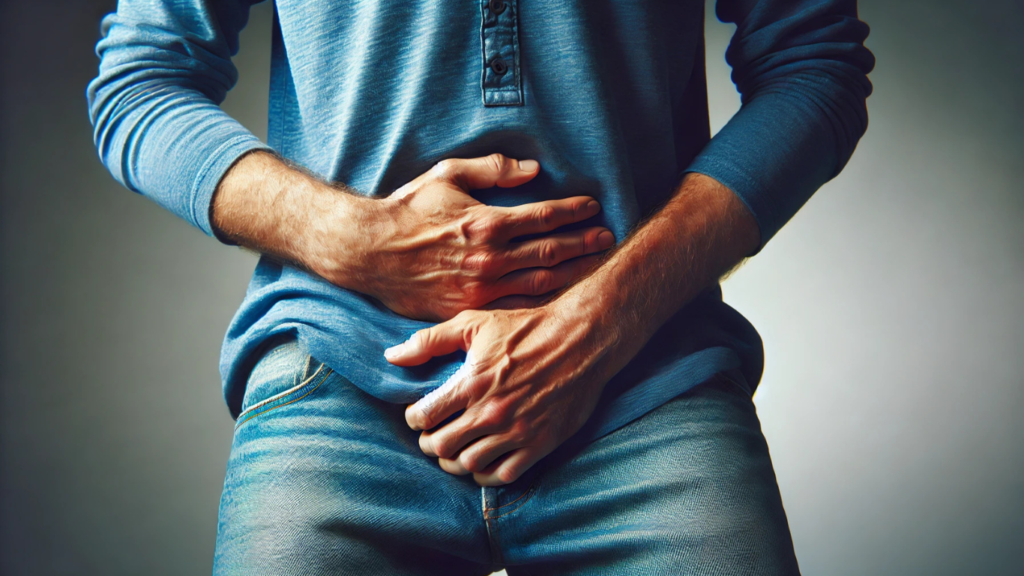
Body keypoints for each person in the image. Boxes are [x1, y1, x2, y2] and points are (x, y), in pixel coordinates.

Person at [88, 0, 873, 573]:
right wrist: (353, 238)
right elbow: (138, 82)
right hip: (341, 372)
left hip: (648, 380)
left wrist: (604, 318)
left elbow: (816, 66)